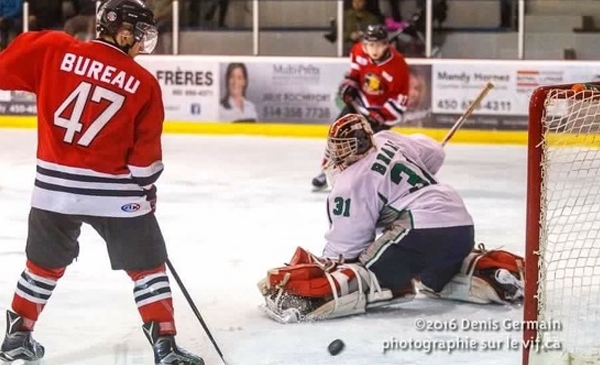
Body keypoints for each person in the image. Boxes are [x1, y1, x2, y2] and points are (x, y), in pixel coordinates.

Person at [0, 1, 203, 364]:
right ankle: (165, 348)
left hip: (53, 192)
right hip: (114, 195)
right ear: (121, 30)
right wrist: (147, 190)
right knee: (147, 267)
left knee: (42, 265)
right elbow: (144, 166)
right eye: (139, 34)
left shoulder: (52, 49)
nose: (142, 43)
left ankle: (17, 335)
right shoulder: (142, 83)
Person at [259, 114, 525, 323]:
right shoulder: (388, 139)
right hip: (461, 227)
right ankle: (486, 272)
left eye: (344, 148)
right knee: (434, 277)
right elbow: (435, 153)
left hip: (418, 229)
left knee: (362, 272)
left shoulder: (351, 181)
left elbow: (346, 247)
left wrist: (333, 266)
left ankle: (307, 300)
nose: (339, 154)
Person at [311, 24, 410, 190]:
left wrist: (381, 115)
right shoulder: (357, 51)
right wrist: (350, 84)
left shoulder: (398, 65)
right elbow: (355, 74)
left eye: (378, 44)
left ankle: (359, 182)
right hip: (359, 105)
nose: (374, 49)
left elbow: (400, 99)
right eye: (370, 45)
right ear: (365, 44)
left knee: (366, 152)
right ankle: (327, 170)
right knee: (336, 135)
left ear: (387, 44)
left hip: (380, 113)